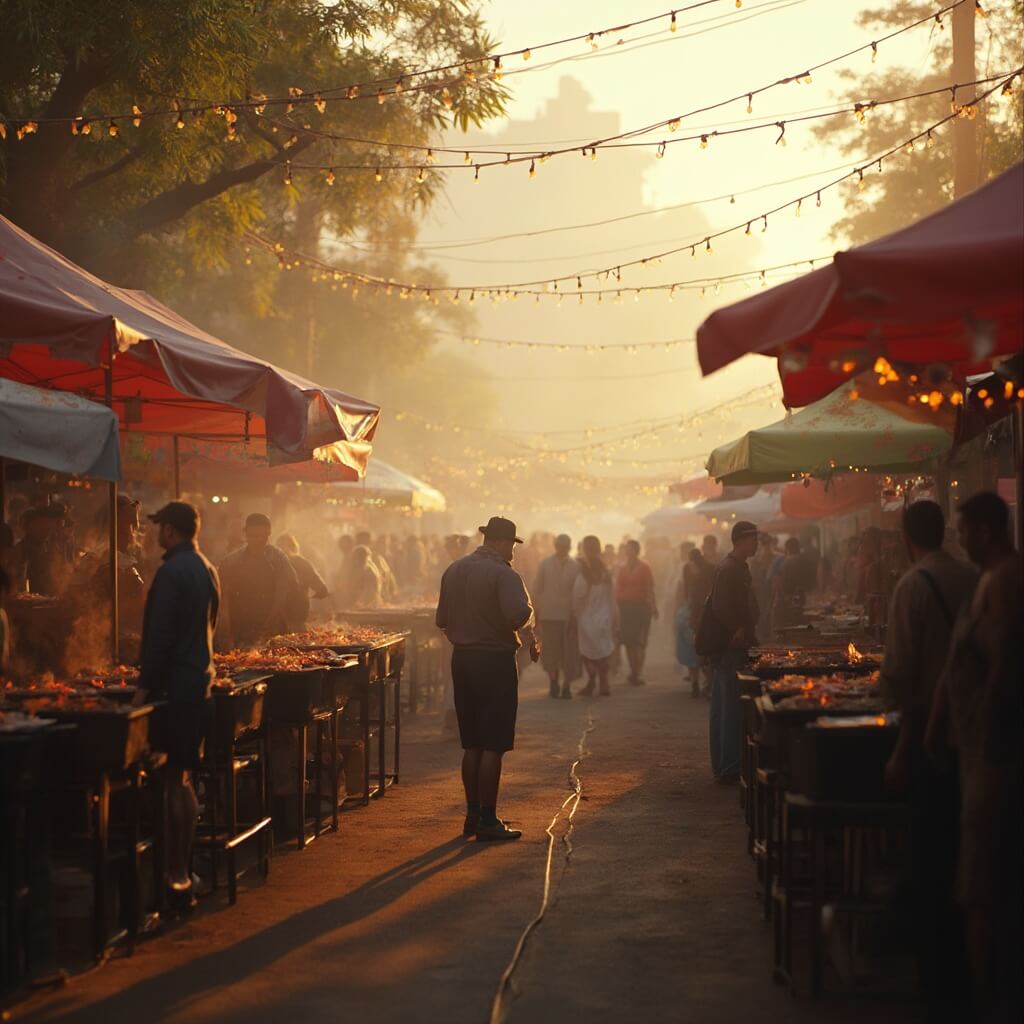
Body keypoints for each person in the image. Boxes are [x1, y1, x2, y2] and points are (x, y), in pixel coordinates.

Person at [880, 500, 978, 1021]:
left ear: (905, 536)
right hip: (978, 737)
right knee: (964, 850)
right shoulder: (974, 577)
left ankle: (935, 978)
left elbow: (899, 674)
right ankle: (967, 965)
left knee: (929, 853)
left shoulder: (913, 587)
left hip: (928, 738)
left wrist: (897, 745)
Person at [927, 492, 1023, 1022]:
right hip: (979, 753)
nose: (958, 539)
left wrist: (985, 741)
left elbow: (1005, 669)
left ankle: (988, 999)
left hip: (994, 758)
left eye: (962, 530)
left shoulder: (1005, 581)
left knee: (982, 888)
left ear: (984, 530)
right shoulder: (988, 578)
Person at [135, 502, 220, 912]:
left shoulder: (172, 573)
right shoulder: (207, 566)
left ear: (169, 530)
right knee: (182, 776)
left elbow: (160, 639)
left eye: (157, 528)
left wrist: (142, 690)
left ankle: (173, 873)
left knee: (171, 779)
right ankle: (182, 869)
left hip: (175, 688)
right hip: (198, 682)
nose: (155, 535)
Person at [435, 516, 539, 841]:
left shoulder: (454, 569)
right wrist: (530, 625)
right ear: (501, 542)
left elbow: (441, 620)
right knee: (493, 744)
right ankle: (489, 819)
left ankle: (472, 813)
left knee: (473, 744)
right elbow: (517, 616)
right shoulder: (505, 574)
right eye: (511, 544)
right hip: (494, 662)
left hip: (462, 660)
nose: (512, 551)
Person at [701, 521, 760, 783]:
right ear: (740, 541)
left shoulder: (736, 567)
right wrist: (736, 629)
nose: (756, 544)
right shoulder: (729, 569)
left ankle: (724, 765)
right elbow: (720, 606)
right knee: (729, 708)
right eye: (753, 540)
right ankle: (728, 767)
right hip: (729, 646)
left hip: (732, 645)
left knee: (724, 706)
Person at [218, 513, 299, 647]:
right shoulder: (231, 561)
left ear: (268, 534)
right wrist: (225, 624)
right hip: (240, 629)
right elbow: (223, 594)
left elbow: (284, 594)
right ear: (245, 533)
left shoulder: (279, 560)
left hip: (272, 631)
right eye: (252, 536)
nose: (256, 540)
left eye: (261, 536)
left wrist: (270, 624)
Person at [532, 533, 580, 699]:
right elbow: (537, 588)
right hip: (549, 614)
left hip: (569, 614)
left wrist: (576, 613)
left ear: (569, 547)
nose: (562, 548)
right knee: (551, 651)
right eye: (560, 545)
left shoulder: (575, 566)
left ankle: (566, 685)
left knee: (569, 652)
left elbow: (578, 592)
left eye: (565, 545)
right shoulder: (545, 564)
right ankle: (553, 682)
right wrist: (536, 611)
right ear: (555, 546)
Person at [574, 535, 619, 697]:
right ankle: (603, 682)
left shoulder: (582, 572)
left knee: (587, 653)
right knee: (603, 652)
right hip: (604, 616)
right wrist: (615, 617)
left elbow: (578, 598)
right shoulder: (606, 572)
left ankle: (592, 681)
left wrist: (577, 617)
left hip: (587, 618)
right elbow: (612, 598)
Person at [615, 539, 658, 686]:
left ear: (637, 551)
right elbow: (617, 589)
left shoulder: (645, 567)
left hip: (641, 607)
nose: (628, 552)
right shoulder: (621, 568)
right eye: (627, 549)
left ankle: (637, 671)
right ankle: (633, 671)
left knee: (640, 641)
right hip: (625, 607)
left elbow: (650, 588)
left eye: (631, 549)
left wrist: (654, 606)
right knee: (628, 641)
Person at [276, 532, 329, 631]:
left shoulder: (271, 564)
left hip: (276, 621)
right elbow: (322, 590)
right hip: (296, 618)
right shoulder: (302, 563)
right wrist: (307, 598)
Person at [680, 547, 715, 698]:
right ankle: (704, 683)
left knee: (696, 647)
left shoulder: (703, 568)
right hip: (702, 613)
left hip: (699, 612)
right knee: (701, 648)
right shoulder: (706, 568)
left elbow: (686, 591)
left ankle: (700, 682)